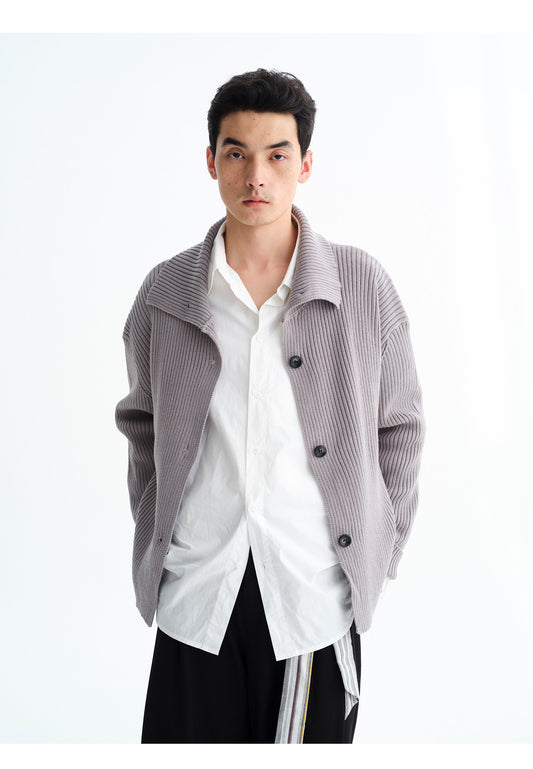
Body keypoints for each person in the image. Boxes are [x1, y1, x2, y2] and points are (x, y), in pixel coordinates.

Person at [115, 68, 425, 744]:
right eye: (237, 153)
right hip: (197, 594)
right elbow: (142, 426)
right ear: (211, 161)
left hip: (312, 600)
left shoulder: (360, 285)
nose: (256, 175)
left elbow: (399, 427)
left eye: (277, 155)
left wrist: (379, 547)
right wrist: (159, 531)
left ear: (305, 165)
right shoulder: (167, 292)